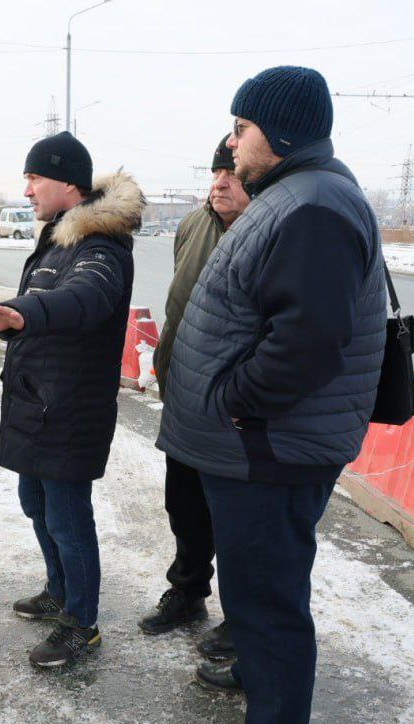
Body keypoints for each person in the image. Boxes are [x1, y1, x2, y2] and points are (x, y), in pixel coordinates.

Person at [156, 67, 388, 724]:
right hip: (262, 444)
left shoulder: (313, 205)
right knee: (260, 596)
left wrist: (235, 403)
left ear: (281, 135)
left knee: (268, 604)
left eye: (242, 129)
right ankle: (259, 680)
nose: (233, 142)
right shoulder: (296, 195)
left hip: (268, 447)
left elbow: (309, 340)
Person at [0, 131, 144, 667]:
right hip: (37, 405)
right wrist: (15, 323)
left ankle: (82, 624)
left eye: (34, 178)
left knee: (68, 518)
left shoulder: (101, 248)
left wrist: (26, 313)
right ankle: (58, 591)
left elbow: (84, 299)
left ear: (67, 184)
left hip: (70, 410)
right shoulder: (57, 240)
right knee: (36, 505)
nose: (26, 190)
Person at [138, 136, 250, 658]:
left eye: (232, 174)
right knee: (183, 505)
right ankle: (187, 591)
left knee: (236, 518)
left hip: (237, 406)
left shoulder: (268, 228)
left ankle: (242, 618)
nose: (220, 183)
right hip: (184, 392)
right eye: (215, 174)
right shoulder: (193, 225)